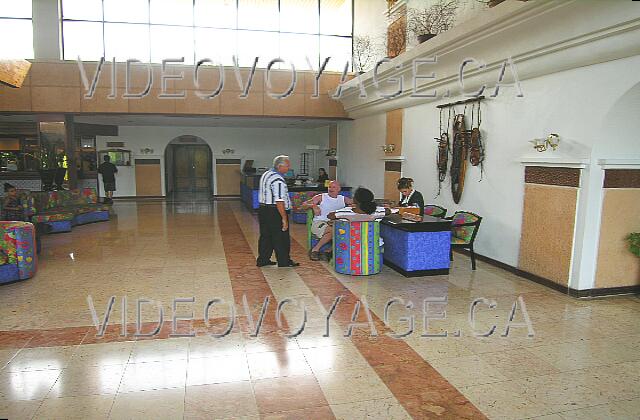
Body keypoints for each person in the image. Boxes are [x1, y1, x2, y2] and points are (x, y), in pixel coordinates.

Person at [256, 155, 300, 268]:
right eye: (287, 165)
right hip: (274, 211)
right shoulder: (278, 179)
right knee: (281, 236)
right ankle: (284, 261)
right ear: (280, 166)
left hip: (263, 209)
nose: (289, 168)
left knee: (266, 235)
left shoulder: (266, 174)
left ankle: (263, 259)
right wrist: (284, 219)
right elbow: (279, 200)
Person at [302, 180, 353, 261]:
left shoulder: (343, 199)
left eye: (333, 187)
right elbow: (304, 205)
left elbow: (355, 204)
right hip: (320, 223)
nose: (331, 189)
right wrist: (313, 206)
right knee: (336, 230)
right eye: (329, 187)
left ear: (339, 189)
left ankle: (328, 251)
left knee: (346, 231)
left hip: (335, 223)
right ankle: (315, 250)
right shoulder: (321, 197)